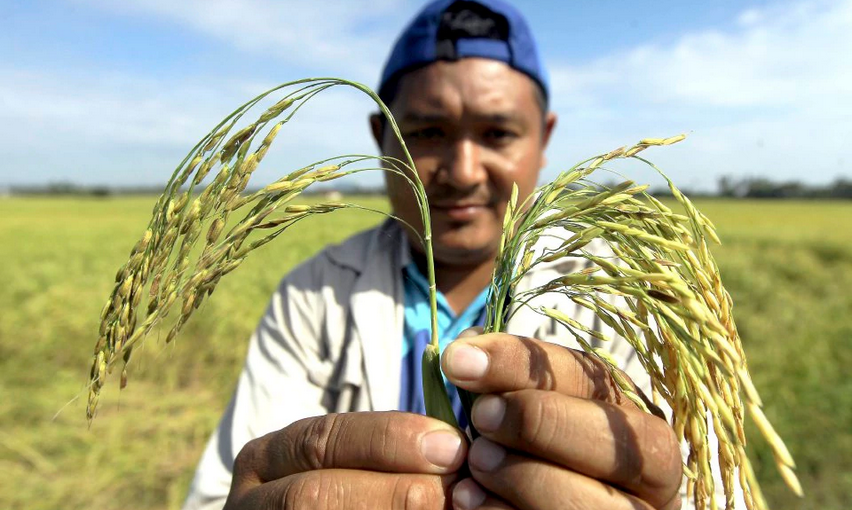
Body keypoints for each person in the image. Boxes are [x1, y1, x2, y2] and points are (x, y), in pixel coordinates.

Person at [183, 1, 696, 508]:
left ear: (544, 137)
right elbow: (219, 492)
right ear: (381, 137)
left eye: (497, 134)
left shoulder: (632, 296)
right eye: (428, 133)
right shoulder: (313, 294)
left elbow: (712, 484)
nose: (464, 171)